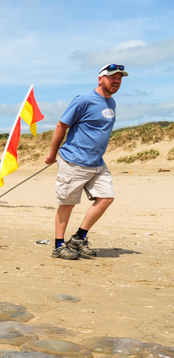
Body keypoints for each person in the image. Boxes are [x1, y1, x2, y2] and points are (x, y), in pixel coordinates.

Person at [45, 63, 127, 260]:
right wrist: (52, 154)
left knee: (106, 197)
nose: (116, 80)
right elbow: (61, 126)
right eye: (112, 77)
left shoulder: (112, 103)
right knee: (68, 203)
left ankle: (78, 239)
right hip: (74, 161)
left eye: (120, 78)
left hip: (97, 163)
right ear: (100, 79)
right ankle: (58, 246)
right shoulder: (84, 100)